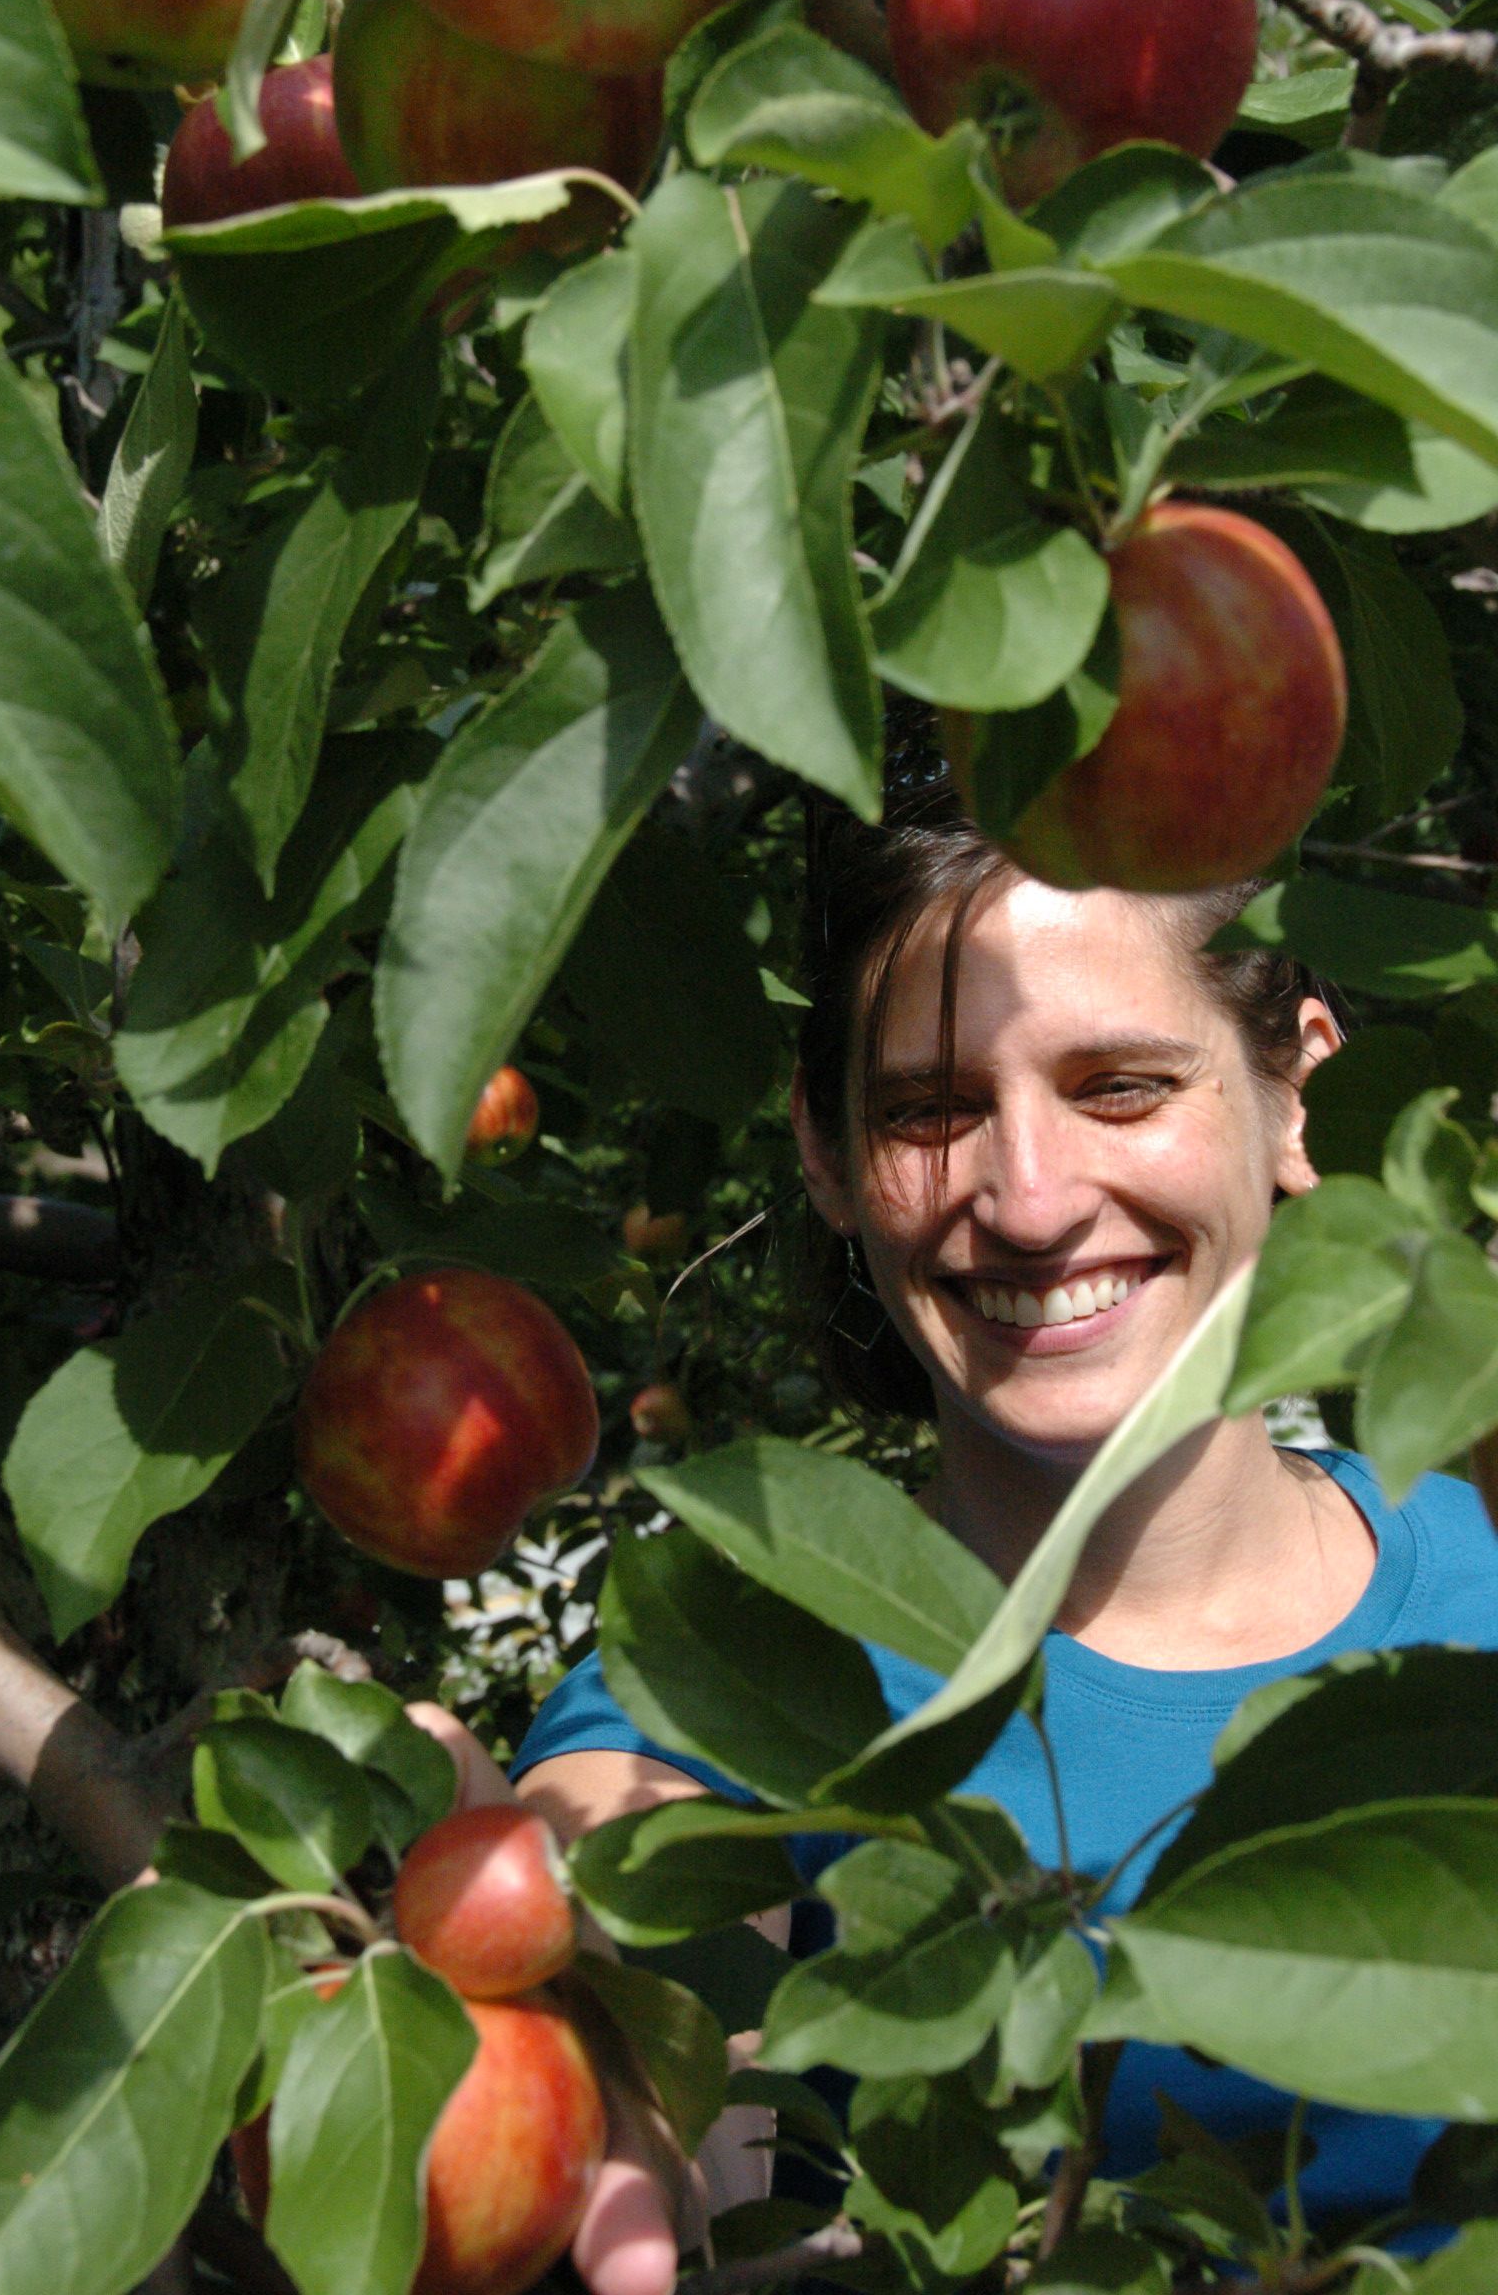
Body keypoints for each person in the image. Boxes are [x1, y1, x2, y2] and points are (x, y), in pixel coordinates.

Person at [414, 775, 1498, 2294]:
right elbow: (632, 1920)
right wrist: (536, 2041)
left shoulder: (1484, 1566)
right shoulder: (748, 1672)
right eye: (931, 1111)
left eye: (1121, 1086)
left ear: (1296, 1089)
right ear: (824, 1151)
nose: (1032, 1201)